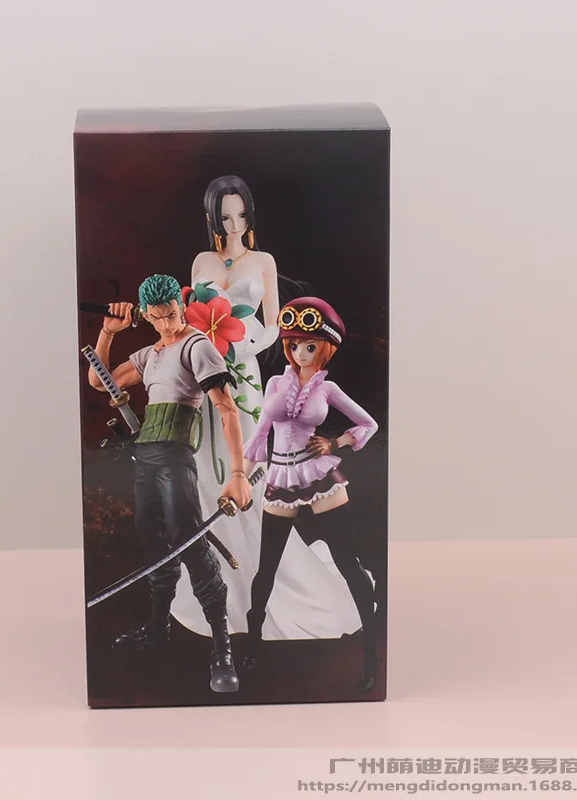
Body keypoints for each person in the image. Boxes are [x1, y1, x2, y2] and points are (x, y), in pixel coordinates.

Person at [170, 176, 369, 643]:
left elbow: (275, 325)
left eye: (240, 215)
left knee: (250, 468)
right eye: (224, 217)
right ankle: (215, 581)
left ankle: (264, 585)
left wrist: (238, 344)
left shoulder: (262, 261)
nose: (233, 225)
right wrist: (203, 347)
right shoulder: (201, 261)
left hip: (242, 371)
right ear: (212, 218)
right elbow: (192, 320)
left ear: (250, 215)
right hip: (204, 369)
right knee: (205, 468)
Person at [88, 274, 251, 693]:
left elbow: (227, 410)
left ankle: (222, 647)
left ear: (181, 307)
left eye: (173, 314)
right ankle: (158, 626)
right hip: (144, 458)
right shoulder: (150, 354)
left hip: (175, 458)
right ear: (146, 316)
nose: (167, 324)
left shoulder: (197, 346)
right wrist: (108, 331)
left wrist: (238, 475)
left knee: (189, 544)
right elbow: (100, 380)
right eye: (158, 318)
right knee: (155, 545)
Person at [240, 297, 381, 692]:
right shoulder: (275, 384)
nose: (301, 353)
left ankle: (371, 653)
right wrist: (240, 479)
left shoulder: (328, 388)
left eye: (310, 346)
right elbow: (259, 437)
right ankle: (253, 642)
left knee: (348, 563)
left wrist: (335, 443)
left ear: (325, 348)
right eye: (295, 345)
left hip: (319, 477)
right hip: (280, 477)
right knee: (266, 568)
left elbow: (368, 424)